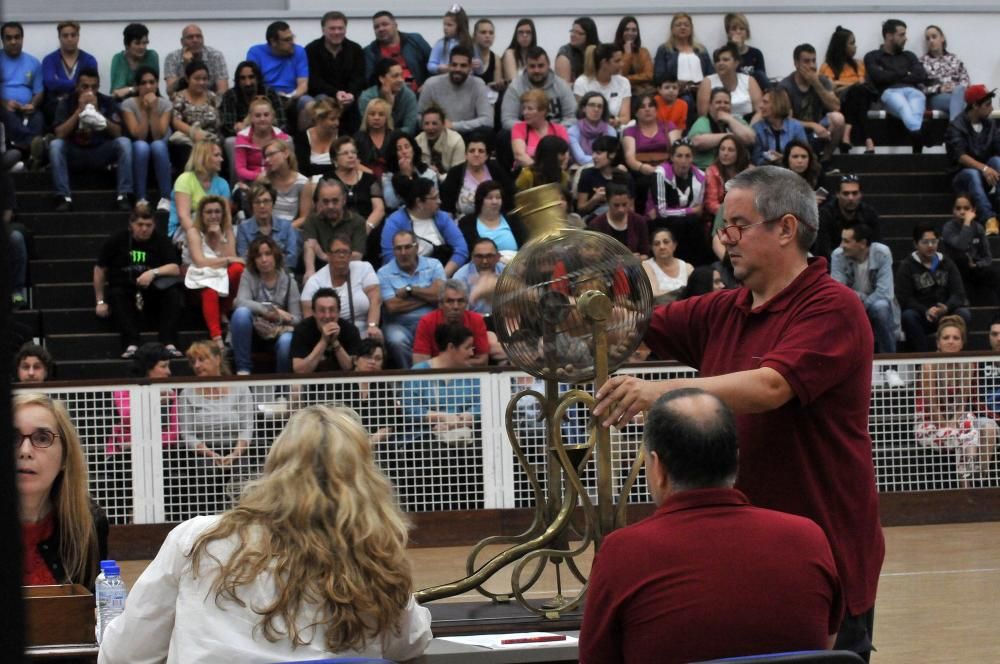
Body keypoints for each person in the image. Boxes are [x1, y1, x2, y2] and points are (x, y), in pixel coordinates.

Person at [593, 166, 885, 661]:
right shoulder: (723, 309)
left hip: (825, 562)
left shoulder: (833, 307)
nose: (725, 238)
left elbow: (771, 385)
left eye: (738, 225)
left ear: (786, 229)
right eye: (723, 226)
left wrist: (657, 392)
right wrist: (583, 297)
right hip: (738, 559)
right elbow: (631, 325)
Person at [98, 404, 432, 662]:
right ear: (365, 481)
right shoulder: (372, 555)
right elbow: (412, 641)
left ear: (275, 466)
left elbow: (124, 655)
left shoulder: (198, 539)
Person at [581, 388, 843, 663]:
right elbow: (824, 646)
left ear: (657, 468)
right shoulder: (807, 538)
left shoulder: (624, 552)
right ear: (736, 461)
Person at [16, 393, 108, 588]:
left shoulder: (88, 523)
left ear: (65, 457)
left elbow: (87, 610)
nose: (25, 450)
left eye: (42, 438)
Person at [175, 340, 256, 518]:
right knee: (205, 471)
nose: (196, 365)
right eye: (193, 361)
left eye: (202, 359)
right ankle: (206, 520)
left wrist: (235, 454)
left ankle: (243, 519)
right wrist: (211, 454)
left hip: (237, 449)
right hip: (203, 450)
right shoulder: (187, 393)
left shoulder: (240, 388)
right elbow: (186, 433)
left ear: (217, 359)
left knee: (244, 470)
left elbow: (247, 427)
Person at [915, 316, 998, 485]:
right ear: (938, 343)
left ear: (962, 343)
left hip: (957, 419)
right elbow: (931, 406)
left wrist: (955, 421)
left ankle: (981, 477)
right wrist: (948, 424)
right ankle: (965, 487)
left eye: (956, 338)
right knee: (965, 434)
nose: (951, 342)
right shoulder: (929, 365)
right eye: (946, 338)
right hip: (930, 423)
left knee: (988, 427)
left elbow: (963, 401)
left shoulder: (968, 364)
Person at [95, 201, 184, 359]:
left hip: (153, 291)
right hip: (124, 290)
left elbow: (175, 268)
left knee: (173, 294)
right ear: (131, 224)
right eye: (140, 224)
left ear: (154, 225)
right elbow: (100, 269)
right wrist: (100, 301)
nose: (144, 229)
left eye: (148, 225)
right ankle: (131, 343)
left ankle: (168, 342)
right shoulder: (117, 240)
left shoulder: (161, 240)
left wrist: (153, 273)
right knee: (117, 293)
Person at [49, 68, 133, 213]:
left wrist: (98, 112)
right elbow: (59, 134)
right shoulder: (66, 102)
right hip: (75, 153)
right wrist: (78, 112)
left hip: (99, 152)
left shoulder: (106, 101)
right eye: (85, 87)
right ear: (77, 87)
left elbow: (118, 132)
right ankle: (63, 197)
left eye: (94, 87)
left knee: (124, 143)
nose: (90, 91)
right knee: (55, 145)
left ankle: (123, 195)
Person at [230, 236, 302, 375]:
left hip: (278, 332)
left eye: (268, 254)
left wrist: (279, 317)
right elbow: (240, 301)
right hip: (253, 332)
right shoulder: (249, 275)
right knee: (241, 313)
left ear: (275, 256)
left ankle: (282, 391)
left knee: (287, 341)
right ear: (253, 260)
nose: (264, 260)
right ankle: (243, 370)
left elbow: (297, 319)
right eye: (258, 256)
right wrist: (266, 310)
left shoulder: (288, 280)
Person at [895, 222, 971, 352]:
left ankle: (958, 353)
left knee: (964, 313)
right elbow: (905, 298)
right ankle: (924, 358)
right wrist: (925, 310)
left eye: (934, 241)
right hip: (922, 315)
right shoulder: (907, 266)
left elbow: (958, 293)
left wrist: (946, 307)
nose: (930, 246)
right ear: (915, 243)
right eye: (925, 242)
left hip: (946, 313)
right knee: (908, 316)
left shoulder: (947, 263)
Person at [403, 323, 481, 447]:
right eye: (467, 348)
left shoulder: (472, 374)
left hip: (463, 436)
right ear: (451, 347)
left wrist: (458, 421)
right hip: (425, 438)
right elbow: (409, 409)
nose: (472, 353)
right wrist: (443, 417)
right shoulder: (418, 372)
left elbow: (481, 405)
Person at [830, 223, 901, 360]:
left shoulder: (882, 253)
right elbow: (838, 290)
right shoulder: (838, 255)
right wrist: (859, 300)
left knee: (881, 307)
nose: (841, 245)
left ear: (862, 243)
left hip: (875, 304)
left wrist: (862, 302)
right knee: (838, 307)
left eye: (846, 241)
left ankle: (890, 366)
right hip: (851, 304)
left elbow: (884, 292)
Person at [378, 229, 446, 368]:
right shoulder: (383, 273)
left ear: (417, 247)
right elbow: (392, 306)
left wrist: (411, 290)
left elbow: (441, 295)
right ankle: (411, 378)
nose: (403, 252)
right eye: (398, 248)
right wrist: (428, 296)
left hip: (431, 322)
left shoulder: (434, 265)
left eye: (408, 247)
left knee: (444, 331)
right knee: (397, 340)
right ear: (393, 250)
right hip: (399, 325)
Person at [183, 195, 245, 346]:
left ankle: (224, 310)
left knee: (238, 269)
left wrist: (218, 237)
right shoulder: (194, 232)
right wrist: (228, 260)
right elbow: (200, 262)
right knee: (210, 290)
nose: (213, 216)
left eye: (217, 212)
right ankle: (217, 337)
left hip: (221, 274)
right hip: (200, 277)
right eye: (209, 212)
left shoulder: (227, 231)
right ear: (201, 215)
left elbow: (233, 260)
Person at [864, 19, 929, 153]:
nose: (905, 38)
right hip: (890, 92)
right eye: (901, 35)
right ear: (889, 36)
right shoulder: (873, 56)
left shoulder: (909, 55)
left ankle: (916, 135)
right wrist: (906, 73)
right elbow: (878, 77)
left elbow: (921, 75)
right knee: (903, 106)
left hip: (913, 91)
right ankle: (917, 135)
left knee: (918, 104)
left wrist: (890, 74)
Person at [380, 176, 467, 274]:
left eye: (438, 196)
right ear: (419, 202)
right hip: (404, 275)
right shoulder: (394, 222)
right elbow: (389, 257)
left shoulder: (442, 217)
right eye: (434, 198)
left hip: (442, 272)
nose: (439, 201)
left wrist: (443, 275)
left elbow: (461, 249)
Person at [301, 234, 382, 337]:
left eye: (345, 252)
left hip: (365, 332)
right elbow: (309, 319)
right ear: (328, 255)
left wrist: (373, 325)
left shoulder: (364, 268)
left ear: (350, 255)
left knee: (378, 340)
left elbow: (375, 299)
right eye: (337, 252)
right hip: (330, 335)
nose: (342, 255)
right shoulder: (314, 282)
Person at [945, 84, 1000, 235]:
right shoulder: (956, 126)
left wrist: (987, 168)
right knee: (972, 173)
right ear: (975, 105)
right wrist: (984, 168)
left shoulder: (990, 124)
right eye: (987, 105)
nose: (991, 108)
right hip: (961, 177)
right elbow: (961, 156)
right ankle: (989, 218)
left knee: (997, 161)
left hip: (985, 175)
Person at [778, 44, 845, 162]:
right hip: (796, 131)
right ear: (796, 63)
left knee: (838, 119)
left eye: (814, 61)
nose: (812, 66)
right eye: (806, 61)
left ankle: (825, 160)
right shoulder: (785, 86)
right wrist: (812, 125)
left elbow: (836, 106)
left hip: (819, 128)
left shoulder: (822, 81)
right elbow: (786, 120)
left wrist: (816, 83)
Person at [121, 66, 173, 210]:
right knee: (141, 146)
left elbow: (158, 135)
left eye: (152, 82)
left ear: (157, 84)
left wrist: (154, 109)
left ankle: (166, 197)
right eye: (144, 83)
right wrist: (144, 110)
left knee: (157, 145)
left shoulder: (166, 104)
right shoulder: (128, 104)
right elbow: (139, 135)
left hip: (159, 144)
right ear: (137, 86)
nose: (148, 86)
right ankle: (141, 198)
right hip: (138, 144)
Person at [648, 139, 707, 265]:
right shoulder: (661, 174)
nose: (683, 161)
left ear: (693, 158)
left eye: (687, 156)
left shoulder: (700, 176)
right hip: (661, 221)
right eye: (679, 156)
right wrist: (689, 210)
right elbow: (662, 212)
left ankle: (694, 267)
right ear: (672, 157)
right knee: (682, 223)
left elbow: (699, 211)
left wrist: (690, 212)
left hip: (686, 222)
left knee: (694, 223)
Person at [305, 11, 365, 135]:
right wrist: (335, 93)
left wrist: (350, 94)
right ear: (323, 30)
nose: (337, 32)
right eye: (332, 28)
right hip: (324, 96)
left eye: (340, 28)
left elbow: (359, 77)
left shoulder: (355, 49)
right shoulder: (311, 50)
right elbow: (313, 80)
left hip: (350, 97)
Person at [246, 21, 312, 129]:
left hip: (293, 97)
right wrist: (274, 97)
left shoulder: (299, 51)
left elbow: (303, 84)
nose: (292, 42)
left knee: (309, 103)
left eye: (292, 38)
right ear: (273, 42)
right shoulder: (255, 52)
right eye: (287, 40)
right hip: (267, 96)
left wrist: (291, 96)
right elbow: (254, 83)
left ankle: (303, 141)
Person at [820, 27, 875, 153]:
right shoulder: (827, 66)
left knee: (858, 93)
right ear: (841, 46)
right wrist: (850, 85)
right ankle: (868, 140)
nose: (855, 47)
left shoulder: (859, 64)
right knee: (857, 92)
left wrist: (841, 84)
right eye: (852, 43)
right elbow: (830, 87)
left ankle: (846, 134)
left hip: (857, 100)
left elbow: (862, 84)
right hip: (838, 102)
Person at [652, 13, 714, 125]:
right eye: (678, 25)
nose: (683, 27)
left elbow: (711, 74)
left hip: (701, 89)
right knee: (687, 100)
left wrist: (703, 86)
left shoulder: (701, 49)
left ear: (691, 29)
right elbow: (659, 75)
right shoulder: (665, 49)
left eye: (686, 25)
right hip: (678, 91)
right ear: (672, 29)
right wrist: (676, 84)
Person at [301, 177, 367, 282]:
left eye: (335, 201)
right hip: (321, 273)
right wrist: (310, 270)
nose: (330, 206)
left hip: (349, 274)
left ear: (344, 200)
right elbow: (309, 246)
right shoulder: (312, 220)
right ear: (319, 202)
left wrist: (323, 256)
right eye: (325, 202)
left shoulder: (357, 221)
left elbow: (356, 257)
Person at [335, 340, 400, 444]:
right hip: (345, 442)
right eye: (368, 357)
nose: (373, 361)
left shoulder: (383, 386)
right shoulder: (340, 384)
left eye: (377, 358)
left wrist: (369, 443)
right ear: (356, 360)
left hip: (377, 444)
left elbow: (388, 426)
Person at [411, 279, 489, 366]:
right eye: (450, 301)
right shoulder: (427, 322)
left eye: (460, 301)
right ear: (440, 304)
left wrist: (449, 364)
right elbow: (420, 363)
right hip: (435, 376)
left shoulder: (476, 320)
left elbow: (483, 361)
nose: (455, 307)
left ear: (467, 303)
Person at [940, 192, 999, 306]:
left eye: (966, 208)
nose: (962, 212)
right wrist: (967, 223)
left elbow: (987, 257)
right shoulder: (948, 228)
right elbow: (961, 245)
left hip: (974, 267)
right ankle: (961, 299)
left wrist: (977, 265)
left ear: (973, 210)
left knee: (994, 274)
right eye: (958, 208)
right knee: (962, 261)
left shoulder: (978, 228)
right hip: (955, 268)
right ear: (953, 210)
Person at [418, 46, 492, 136]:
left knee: (486, 132)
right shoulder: (431, 84)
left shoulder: (478, 84)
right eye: (454, 65)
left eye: (463, 66)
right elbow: (419, 116)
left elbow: (487, 120)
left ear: (470, 68)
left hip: (467, 135)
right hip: (438, 134)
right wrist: (434, 125)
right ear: (448, 65)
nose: (458, 69)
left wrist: (453, 126)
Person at [623, 92, 681, 206]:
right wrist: (643, 167)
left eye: (650, 106)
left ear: (656, 109)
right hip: (641, 171)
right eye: (642, 107)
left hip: (668, 168)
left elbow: (677, 150)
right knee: (645, 183)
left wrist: (664, 168)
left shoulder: (669, 126)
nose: (647, 109)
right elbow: (629, 157)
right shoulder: (630, 131)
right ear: (635, 112)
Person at [500, 46, 577, 131]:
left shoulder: (562, 86)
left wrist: (551, 130)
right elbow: (507, 120)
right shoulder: (515, 87)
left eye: (540, 66)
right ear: (526, 67)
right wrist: (533, 130)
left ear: (548, 65)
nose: (536, 70)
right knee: (504, 136)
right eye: (532, 66)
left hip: (555, 135)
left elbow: (572, 117)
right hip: (525, 134)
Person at [323, 136, 385, 237]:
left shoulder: (369, 179)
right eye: (345, 153)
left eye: (353, 152)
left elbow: (379, 209)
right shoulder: (327, 180)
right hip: (337, 231)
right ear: (335, 159)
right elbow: (323, 210)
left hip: (368, 231)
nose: (351, 156)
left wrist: (365, 229)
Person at [167, 140, 230, 240]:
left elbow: (226, 219)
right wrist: (203, 238)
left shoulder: (223, 184)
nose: (221, 159)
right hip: (184, 230)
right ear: (203, 157)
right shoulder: (184, 180)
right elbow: (184, 218)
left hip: (214, 230)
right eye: (216, 155)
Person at [439, 132, 513, 216]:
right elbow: (446, 207)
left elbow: (509, 201)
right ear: (466, 155)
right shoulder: (455, 173)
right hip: (463, 222)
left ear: (487, 156)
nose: (476, 154)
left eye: (481, 151)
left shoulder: (496, 170)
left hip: (494, 220)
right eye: (472, 151)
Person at [40, 21, 98, 128]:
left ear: (78, 37)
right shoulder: (49, 60)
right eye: (65, 36)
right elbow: (51, 83)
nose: (69, 39)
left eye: (73, 35)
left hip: (81, 102)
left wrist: (60, 83)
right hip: (54, 104)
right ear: (59, 37)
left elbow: (90, 84)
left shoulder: (89, 60)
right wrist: (78, 84)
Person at [291, 287, 362, 373]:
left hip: (342, 383)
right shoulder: (302, 329)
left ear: (338, 312)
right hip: (311, 382)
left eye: (332, 310)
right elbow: (299, 370)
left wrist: (335, 342)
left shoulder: (351, 330)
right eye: (322, 310)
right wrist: (324, 340)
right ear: (314, 312)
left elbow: (351, 369)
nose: (327, 316)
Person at [815, 173, 881, 263]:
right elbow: (823, 251)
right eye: (846, 193)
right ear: (837, 194)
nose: (851, 198)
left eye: (855, 193)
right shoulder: (826, 215)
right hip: (833, 265)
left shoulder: (869, 214)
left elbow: (876, 246)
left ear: (860, 194)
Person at [218, 60, 288, 143]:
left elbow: (282, 123)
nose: (247, 83)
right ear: (238, 81)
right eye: (243, 78)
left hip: (269, 137)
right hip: (242, 139)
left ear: (258, 78)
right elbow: (228, 128)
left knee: (288, 139)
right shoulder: (230, 96)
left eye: (251, 77)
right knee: (230, 141)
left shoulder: (270, 94)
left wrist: (258, 131)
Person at [687, 86, 755, 171]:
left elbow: (750, 138)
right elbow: (697, 142)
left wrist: (729, 119)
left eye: (726, 103)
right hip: (706, 170)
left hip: (735, 170)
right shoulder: (703, 121)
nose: (722, 105)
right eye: (718, 102)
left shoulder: (737, 121)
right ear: (710, 106)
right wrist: (730, 136)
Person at [169, 61, 221, 168]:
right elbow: (176, 121)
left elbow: (218, 121)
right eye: (197, 79)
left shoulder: (212, 97)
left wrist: (206, 137)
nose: (201, 82)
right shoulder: (179, 97)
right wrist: (194, 133)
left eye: (204, 79)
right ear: (187, 79)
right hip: (188, 139)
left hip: (210, 138)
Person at [1, 21, 43, 151]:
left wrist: (33, 104)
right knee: (6, 115)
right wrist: (5, 103)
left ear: (22, 38)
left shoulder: (33, 62)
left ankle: (27, 153)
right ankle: (36, 146)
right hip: (3, 108)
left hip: (27, 109)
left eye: (17, 37)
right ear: (2, 40)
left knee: (39, 118)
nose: (13, 41)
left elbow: (39, 91)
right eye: (9, 38)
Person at [364, 10, 432, 92]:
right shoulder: (370, 52)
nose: (381, 29)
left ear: (395, 25)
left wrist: (428, 84)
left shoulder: (415, 40)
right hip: (390, 96)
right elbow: (370, 81)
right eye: (376, 27)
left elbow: (432, 65)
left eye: (385, 24)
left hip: (421, 92)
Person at [457, 180, 526, 257]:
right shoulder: (467, 223)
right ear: (480, 200)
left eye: (498, 197)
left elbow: (525, 246)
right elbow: (469, 252)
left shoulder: (513, 219)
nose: (495, 201)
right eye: (490, 198)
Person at [233, 98, 290, 187]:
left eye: (266, 115)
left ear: (272, 116)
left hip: (276, 181)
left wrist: (270, 178)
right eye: (258, 115)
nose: (262, 119)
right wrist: (257, 176)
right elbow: (240, 170)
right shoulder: (242, 137)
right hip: (249, 183)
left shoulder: (281, 137)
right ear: (251, 118)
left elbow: (287, 166)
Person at [697, 42, 762, 121]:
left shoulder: (749, 80)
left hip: (747, 126)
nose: (720, 63)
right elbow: (703, 115)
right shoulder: (708, 81)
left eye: (725, 60)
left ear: (736, 63)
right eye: (717, 60)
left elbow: (760, 111)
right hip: (718, 127)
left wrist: (750, 129)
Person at [573, 43, 631, 129]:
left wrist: (616, 121)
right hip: (589, 130)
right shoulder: (582, 83)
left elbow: (625, 117)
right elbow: (582, 115)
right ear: (604, 63)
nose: (622, 64)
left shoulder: (624, 82)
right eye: (617, 61)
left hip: (615, 129)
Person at [577, 135, 634, 219]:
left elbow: (631, 209)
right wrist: (594, 199)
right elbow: (580, 209)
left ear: (612, 154)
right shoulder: (587, 174)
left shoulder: (624, 177)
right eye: (593, 152)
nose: (594, 157)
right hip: (592, 221)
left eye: (598, 153)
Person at [358, 58, 418, 137]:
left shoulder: (409, 95)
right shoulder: (367, 98)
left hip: (401, 141)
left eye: (401, 75)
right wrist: (388, 107)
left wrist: (391, 135)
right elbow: (368, 128)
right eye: (395, 76)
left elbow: (410, 128)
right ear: (382, 79)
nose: (401, 80)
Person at [921, 25, 969, 121]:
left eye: (934, 37)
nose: (931, 40)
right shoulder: (922, 62)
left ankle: (954, 131)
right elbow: (920, 87)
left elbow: (965, 80)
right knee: (963, 105)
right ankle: (956, 132)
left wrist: (954, 88)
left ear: (942, 38)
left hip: (956, 95)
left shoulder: (954, 59)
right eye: (928, 38)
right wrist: (939, 88)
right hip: (936, 98)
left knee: (959, 92)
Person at [163, 24, 229, 95]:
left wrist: (213, 104)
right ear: (182, 42)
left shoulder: (216, 56)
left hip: (211, 101)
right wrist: (187, 67)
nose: (195, 40)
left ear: (203, 39)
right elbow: (170, 91)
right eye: (190, 37)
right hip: (182, 101)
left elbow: (223, 90)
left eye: (198, 36)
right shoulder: (172, 57)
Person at [512, 89, 570, 168]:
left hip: (554, 175)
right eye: (524, 108)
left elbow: (565, 158)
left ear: (543, 111)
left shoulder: (559, 130)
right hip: (528, 173)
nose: (524, 112)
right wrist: (540, 172)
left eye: (530, 109)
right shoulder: (519, 127)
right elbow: (520, 155)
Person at [259, 137, 310, 228]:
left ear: (286, 154)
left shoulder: (303, 183)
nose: (267, 160)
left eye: (271, 154)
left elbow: (304, 217)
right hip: (266, 227)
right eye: (266, 156)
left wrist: (284, 230)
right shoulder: (264, 180)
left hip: (290, 229)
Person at [381, 132, 438, 211]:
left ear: (413, 150)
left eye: (407, 147)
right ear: (394, 153)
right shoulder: (388, 176)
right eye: (399, 149)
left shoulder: (429, 174)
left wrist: (409, 177)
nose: (404, 152)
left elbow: (433, 200)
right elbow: (391, 203)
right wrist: (405, 176)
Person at [590, 183, 650, 259]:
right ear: (608, 202)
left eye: (624, 205)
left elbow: (645, 253)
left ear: (630, 202)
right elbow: (593, 256)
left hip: (635, 268)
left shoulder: (639, 221)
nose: (621, 209)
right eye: (616, 205)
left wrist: (637, 259)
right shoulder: (597, 224)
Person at [752, 87, 807, 165]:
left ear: (777, 104)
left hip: (793, 170)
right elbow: (756, 159)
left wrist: (784, 159)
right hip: (768, 171)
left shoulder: (796, 127)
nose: (760, 106)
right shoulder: (758, 128)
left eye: (765, 102)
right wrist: (769, 159)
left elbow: (805, 154)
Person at [452, 237, 505, 316]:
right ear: (472, 257)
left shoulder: (505, 271)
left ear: (498, 257)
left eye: (489, 256)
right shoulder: (460, 278)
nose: (484, 261)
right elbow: (459, 312)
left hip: (504, 317)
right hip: (474, 321)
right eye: (479, 256)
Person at [705, 134, 750, 223]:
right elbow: (711, 204)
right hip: (719, 217)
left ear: (739, 153)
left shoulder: (748, 172)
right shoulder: (712, 171)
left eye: (731, 150)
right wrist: (733, 215)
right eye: (722, 149)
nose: (725, 153)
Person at [643, 227, 694, 305]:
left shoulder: (687, 267)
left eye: (666, 242)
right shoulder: (646, 266)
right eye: (656, 244)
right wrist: (683, 291)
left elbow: (696, 292)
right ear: (651, 248)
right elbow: (654, 295)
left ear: (674, 245)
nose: (662, 247)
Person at [109, 23, 159, 102]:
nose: (142, 47)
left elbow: (152, 86)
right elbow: (117, 92)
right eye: (137, 43)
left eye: (145, 43)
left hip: (149, 99)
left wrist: (130, 89)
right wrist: (139, 88)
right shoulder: (119, 58)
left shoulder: (152, 56)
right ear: (127, 44)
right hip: (124, 102)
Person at [294, 97, 341, 179]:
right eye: (332, 119)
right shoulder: (302, 138)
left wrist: (315, 168)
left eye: (338, 118)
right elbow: (304, 170)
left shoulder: (341, 136)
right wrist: (335, 166)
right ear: (319, 119)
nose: (337, 123)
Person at [569, 92, 618, 168]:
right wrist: (603, 160)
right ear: (583, 108)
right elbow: (581, 159)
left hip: (605, 169)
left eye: (600, 106)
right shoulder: (573, 131)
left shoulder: (610, 131)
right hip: (583, 169)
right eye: (592, 105)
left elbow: (611, 156)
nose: (596, 109)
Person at [724, 12, 768, 92]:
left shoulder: (756, 53)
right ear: (728, 33)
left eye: (742, 28)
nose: (738, 32)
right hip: (732, 91)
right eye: (734, 29)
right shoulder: (723, 53)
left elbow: (762, 78)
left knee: (759, 74)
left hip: (753, 91)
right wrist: (734, 50)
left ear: (747, 32)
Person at [416, 106, 466, 175]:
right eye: (426, 123)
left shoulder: (456, 141)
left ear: (443, 124)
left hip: (451, 181)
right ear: (422, 126)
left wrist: (438, 176)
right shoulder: (417, 142)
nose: (430, 127)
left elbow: (457, 174)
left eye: (434, 123)